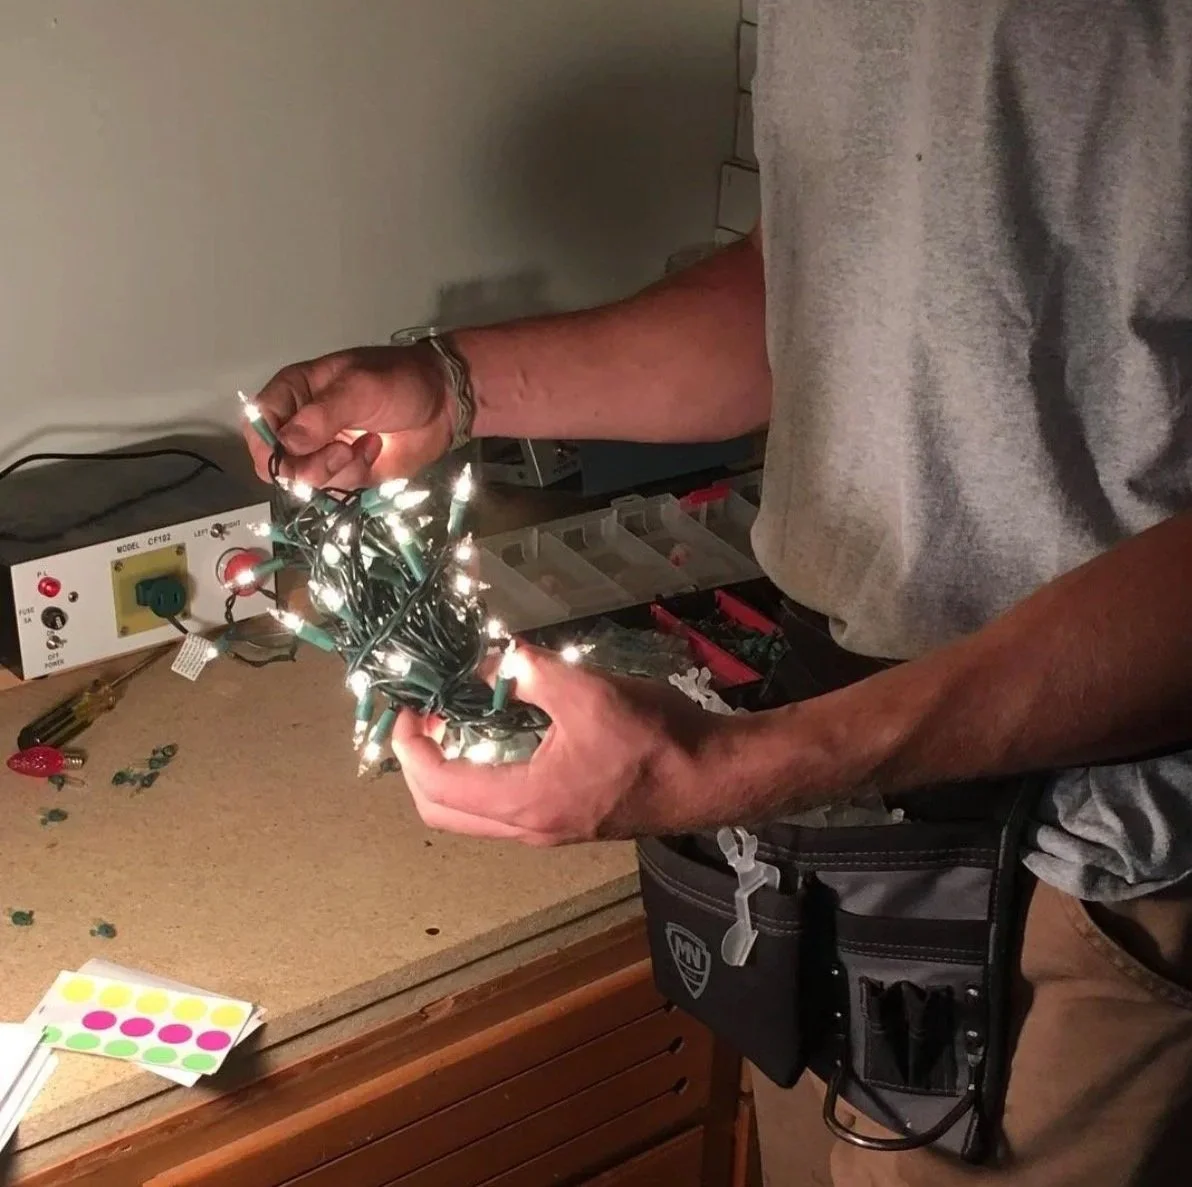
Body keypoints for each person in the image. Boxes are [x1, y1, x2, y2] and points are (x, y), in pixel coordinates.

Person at [244, 2, 1192, 1181]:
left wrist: (756, 763)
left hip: (1076, 858)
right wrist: (457, 387)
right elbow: (811, 290)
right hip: (829, 799)